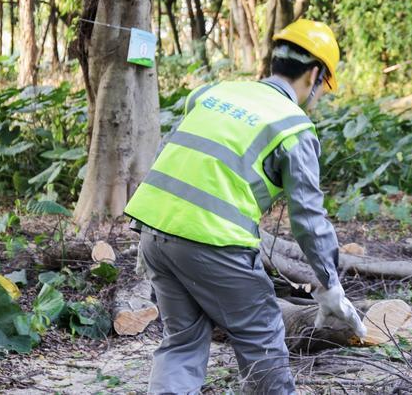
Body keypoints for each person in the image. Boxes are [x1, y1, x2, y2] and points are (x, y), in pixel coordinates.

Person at [124, 19, 366, 394]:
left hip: (155, 235)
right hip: (215, 242)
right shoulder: (292, 126)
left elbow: (173, 152)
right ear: (316, 74)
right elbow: (309, 219)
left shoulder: (213, 93)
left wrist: (147, 231)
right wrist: (331, 286)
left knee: (182, 342)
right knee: (262, 338)